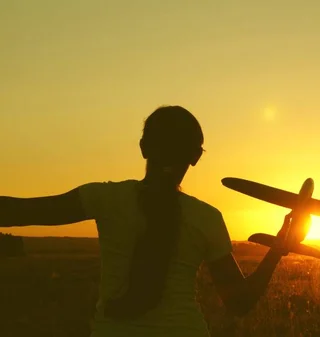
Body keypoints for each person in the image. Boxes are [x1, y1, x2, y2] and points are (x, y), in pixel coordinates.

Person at [0, 105, 295, 337]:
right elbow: (239, 302)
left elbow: (21, 212)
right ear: (194, 157)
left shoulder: (103, 198)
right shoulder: (206, 218)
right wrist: (277, 249)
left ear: (143, 147)